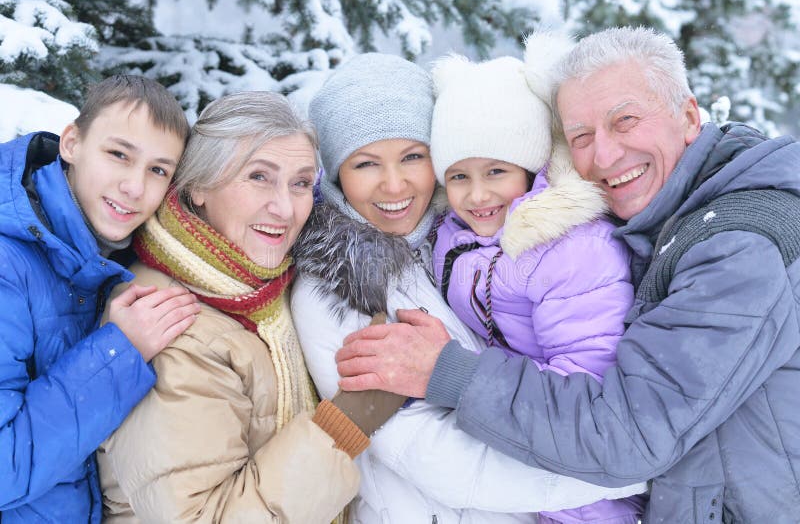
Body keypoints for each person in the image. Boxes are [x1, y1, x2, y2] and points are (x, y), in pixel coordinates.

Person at [335, 26, 800, 522]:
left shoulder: (739, 247)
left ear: (688, 116)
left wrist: (447, 373)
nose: (603, 156)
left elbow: (628, 432)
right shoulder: (657, 212)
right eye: (581, 136)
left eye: (625, 121)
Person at [291, 52, 646, 523]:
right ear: (336, 173)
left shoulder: (454, 239)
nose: (394, 184)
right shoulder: (339, 288)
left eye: (412, 156)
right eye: (366, 163)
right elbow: (440, 458)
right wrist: (627, 466)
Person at [96, 91, 373, 524]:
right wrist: (346, 424)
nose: (284, 208)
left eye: (300, 183)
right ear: (198, 186)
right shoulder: (170, 323)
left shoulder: (266, 292)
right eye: (259, 177)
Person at [429, 46, 644, 524]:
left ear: (529, 170)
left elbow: (585, 387)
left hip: (579, 480)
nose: (477, 194)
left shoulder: (570, 247)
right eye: (459, 176)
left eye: (496, 172)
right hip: (510, 435)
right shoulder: (457, 233)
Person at [0, 75, 200, 523]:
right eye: (118, 155)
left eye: (158, 170)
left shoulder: (113, 256)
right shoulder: (7, 264)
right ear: (72, 143)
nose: (135, 186)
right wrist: (117, 352)